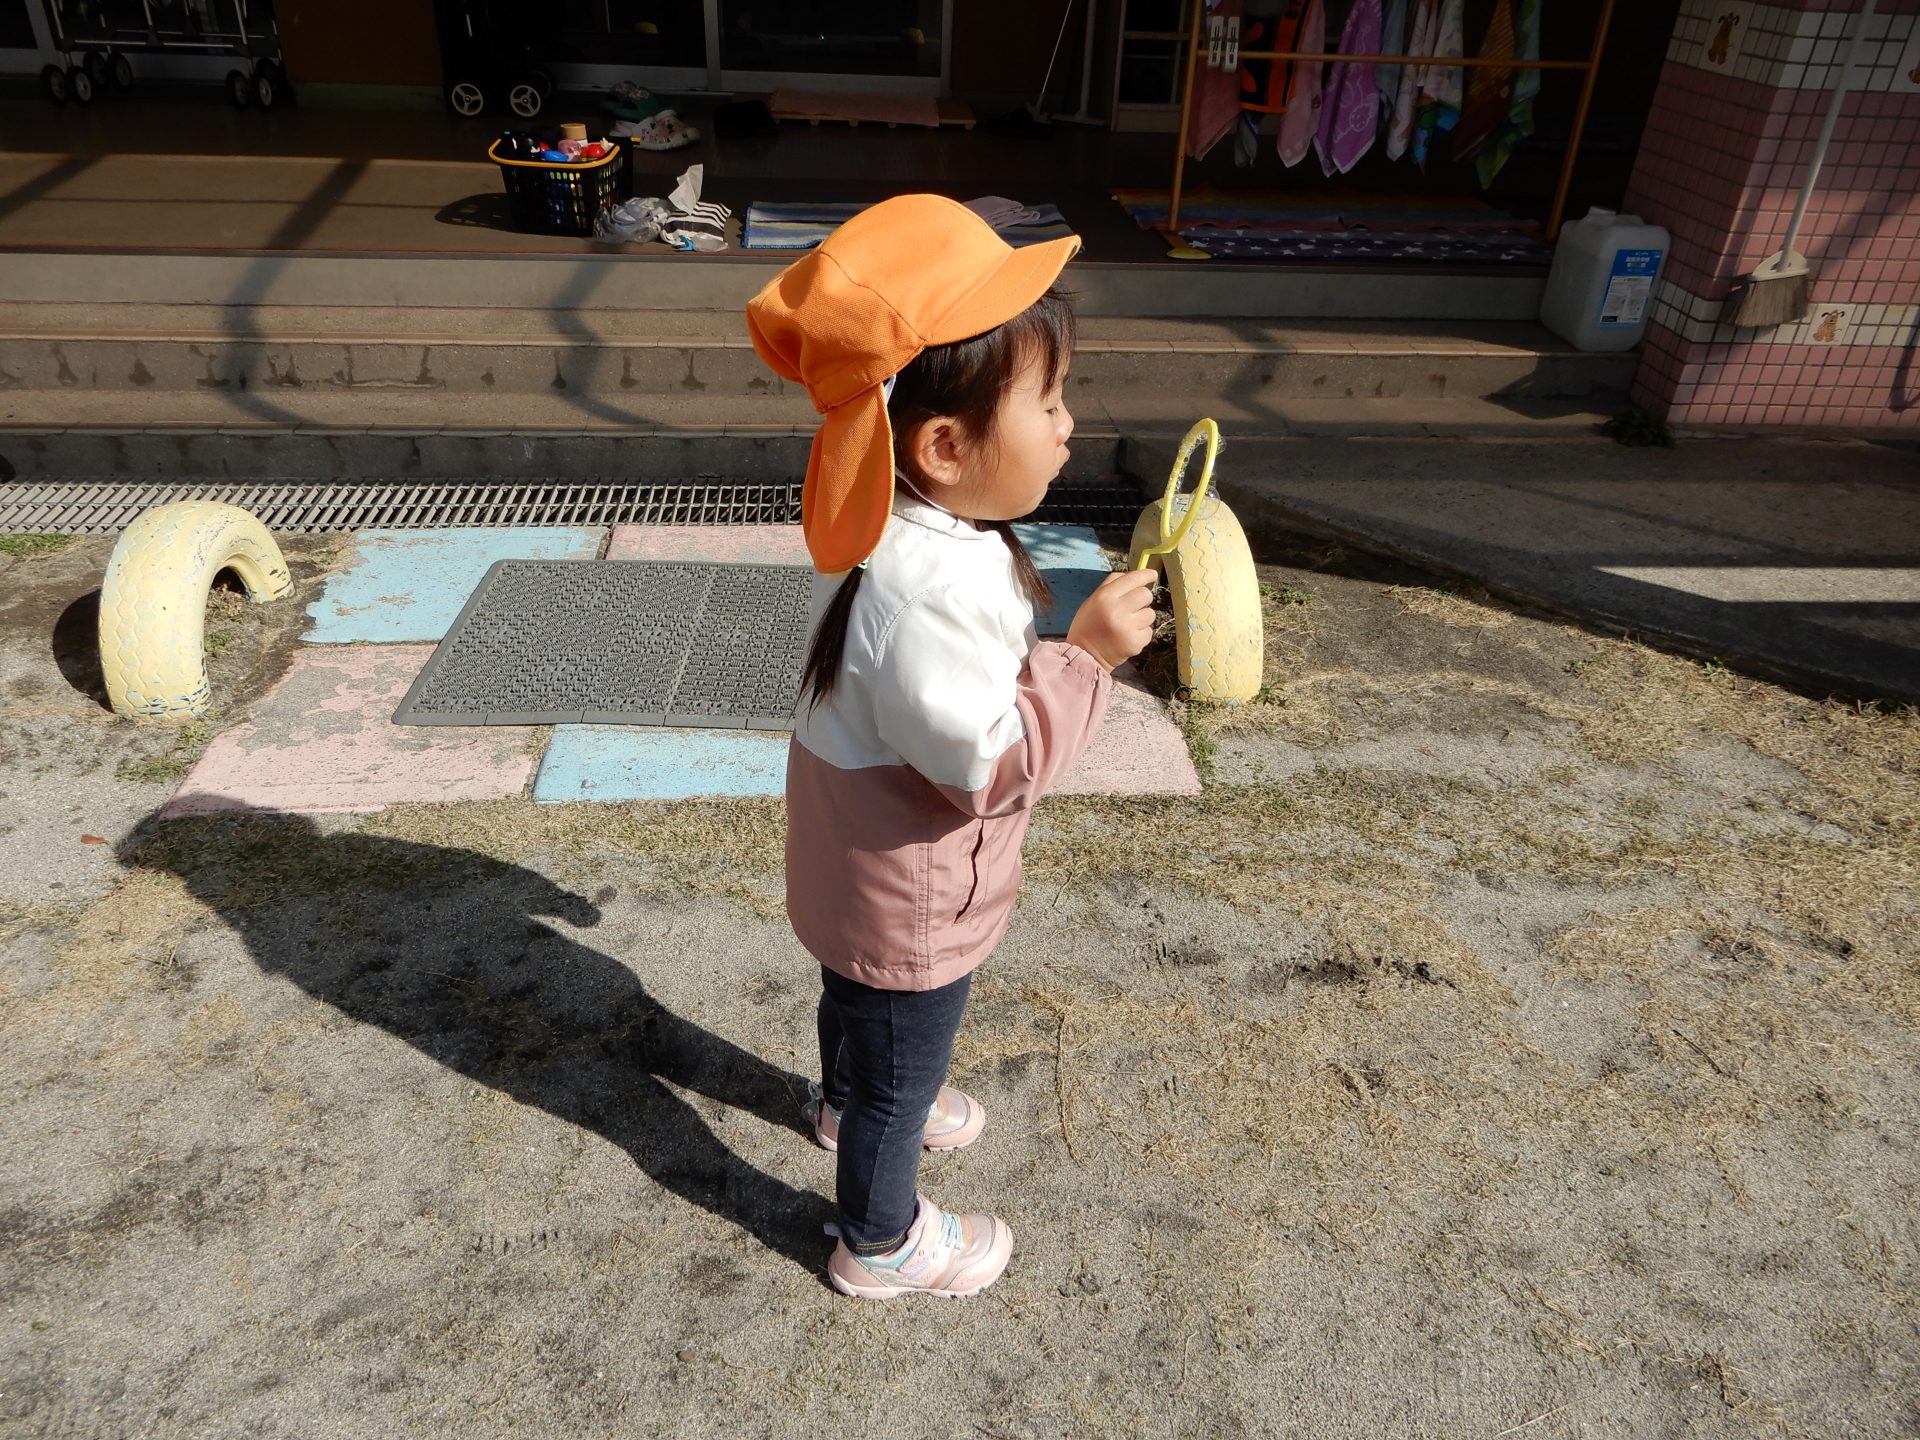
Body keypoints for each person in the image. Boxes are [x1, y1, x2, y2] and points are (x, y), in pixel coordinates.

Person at [745, 194, 1158, 1299]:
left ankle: (846, 1102)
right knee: (899, 1059)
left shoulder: (872, 510)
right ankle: (880, 1241)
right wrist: (1086, 658)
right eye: (1049, 402)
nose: (1069, 425)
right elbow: (987, 767)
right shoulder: (934, 588)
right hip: (910, 890)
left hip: (851, 864)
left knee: (857, 1009)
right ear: (943, 445)